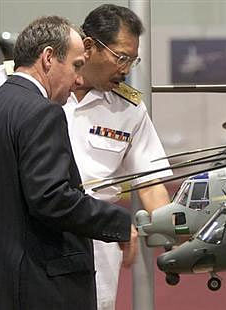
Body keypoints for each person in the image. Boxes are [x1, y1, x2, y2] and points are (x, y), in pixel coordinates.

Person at [0, 16, 137, 310]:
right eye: (75, 65)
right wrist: (121, 223)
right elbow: (51, 198)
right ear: (48, 58)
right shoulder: (42, 112)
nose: (77, 79)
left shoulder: (2, 102)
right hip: (41, 287)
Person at [64, 4, 172, 310]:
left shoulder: (129, 109)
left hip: (97, 242)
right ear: (88, 46)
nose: (126, 69)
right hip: (33, 231)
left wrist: (181, 232)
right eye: (121, 57)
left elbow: (150, 184)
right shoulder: (31, 88)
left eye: (132, 60)